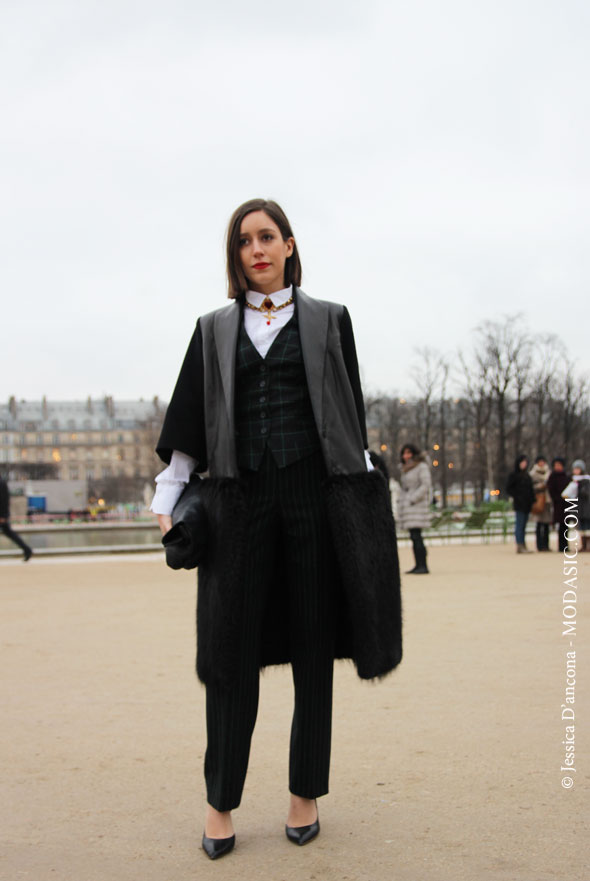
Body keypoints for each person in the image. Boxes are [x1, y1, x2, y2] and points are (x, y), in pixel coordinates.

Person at [151, 198, 402, 860]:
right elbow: (190, 419)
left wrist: (361, 488)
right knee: (231, 656)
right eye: (244, 241)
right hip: (238, 502)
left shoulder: (330, 320)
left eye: (267, 236)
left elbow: (348, 413)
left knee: (314, 650)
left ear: (289, 245)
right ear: (236, 256)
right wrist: (169, 491)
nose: (256, 248)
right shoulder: (211, 330)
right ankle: (220, 800)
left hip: (312, 499)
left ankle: (304, 793)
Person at [397, 444, 432, 574]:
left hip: (416, 506)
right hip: (409, 506)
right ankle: (418, 564)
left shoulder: (421, 467)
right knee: (414, 536)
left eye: (408, 453)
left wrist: (413, 498)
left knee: (417, 536)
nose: (406, 456)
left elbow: (425, 485)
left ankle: (423, 565)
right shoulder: (405, 469)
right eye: (404, 453)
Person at [506, 454, 536, 553]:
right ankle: (519, 545)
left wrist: (532, 500)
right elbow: (509, 489)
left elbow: (531, 490)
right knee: (519, 525)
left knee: (523, 525)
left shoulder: (527, 475)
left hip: (527, 504)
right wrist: (517, 496)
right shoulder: (514, 475)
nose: (524, 464)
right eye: (522, 462)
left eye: (525, 462)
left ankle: (523, 544)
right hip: (519, 504)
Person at [0, 475, 33, 562]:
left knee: (9, 533)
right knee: (9, 533)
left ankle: (27, 549)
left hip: (1, 514)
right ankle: (27, 550)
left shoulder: (1, 483)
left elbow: (4, 500)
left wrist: (3, 516)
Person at [562, 459, 590, 552]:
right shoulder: (573, 480)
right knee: (581, 527)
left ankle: (588, 546)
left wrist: (580, 487)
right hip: (578, 507)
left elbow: (586, 494)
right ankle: (583, 545)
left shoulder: (586, 481)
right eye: (574, 469)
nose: (575, 471)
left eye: (577, 469)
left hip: (586, 508)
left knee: (587, 527)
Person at [529, 455, 552, 551]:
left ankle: (546, 545)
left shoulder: (549, 473)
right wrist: (539, 486)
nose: (542, 463)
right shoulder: (533, 474)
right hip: (538, 500)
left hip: (547, 500)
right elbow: (530, 487)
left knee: (546, 523)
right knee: (539, 524)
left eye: (543, 461)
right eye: (540, 461)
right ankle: (539, 545)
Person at [547, 458, 570, 552]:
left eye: (559, 465)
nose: (557, 467)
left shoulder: (566, 476)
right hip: (558, 504)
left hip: (566, 503)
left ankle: (566, 545)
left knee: (566, 525)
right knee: (560, 525)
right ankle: (561, 546)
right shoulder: (552, 477)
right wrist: (556, 498)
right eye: (556, 465)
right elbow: (550, 489)